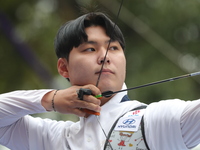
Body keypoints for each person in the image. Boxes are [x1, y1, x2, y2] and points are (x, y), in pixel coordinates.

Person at [0, 12, 200, 150]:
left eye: (113, 48)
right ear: (63, 67)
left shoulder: (153, 121)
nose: (105, 56)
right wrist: (53, 99)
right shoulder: (54, 139)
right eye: (90, 49)